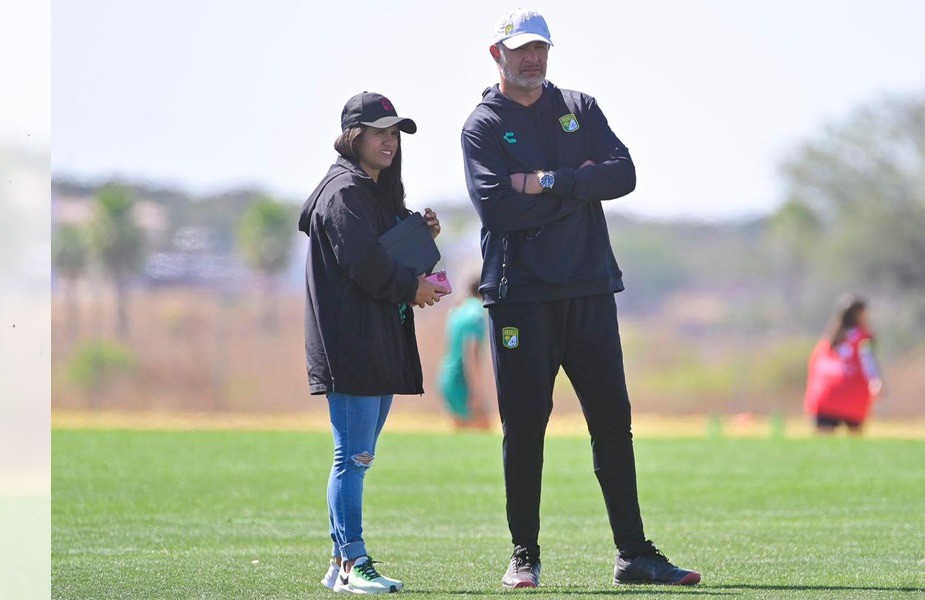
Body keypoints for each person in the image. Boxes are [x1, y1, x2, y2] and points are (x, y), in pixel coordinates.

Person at [460, 8, 700, 589]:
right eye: (520, 49)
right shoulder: (482, 126)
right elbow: (499, 209)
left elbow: (623, 175)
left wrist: (548, 182)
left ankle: (634, 554)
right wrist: (579, 184)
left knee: (613, 424)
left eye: (540, 47)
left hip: (590, 286)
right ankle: (524, 554)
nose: (532, 58)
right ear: (498, 54)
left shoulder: (579, 108)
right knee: (525, 426)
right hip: (520, 297)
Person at [298, 91, 446, 594]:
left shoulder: (371, 192)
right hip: (351, 345)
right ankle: (351, 564)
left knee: (357, 456)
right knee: (353, 457)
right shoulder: (343, 192)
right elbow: (365, 265)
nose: (389, 141)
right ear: (352, 136)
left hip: (374, 340)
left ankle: (340, 561)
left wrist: (417, 236)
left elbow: (385, 254)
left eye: (395, 133)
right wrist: (412, 287)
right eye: (380, 131)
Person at [803, 295, 883, 435]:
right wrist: (876, 382)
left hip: (824, 396)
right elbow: (869, 361)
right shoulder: (862, 338)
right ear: (859, 314)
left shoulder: (828, 339)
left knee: (822, 445)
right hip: (853, 397)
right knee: (855, 447)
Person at [439, 276, 492, 430]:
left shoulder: (458, 311)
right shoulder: (476, 315)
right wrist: (475, 393)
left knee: (460, 435)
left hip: (446, 377)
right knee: (484, 429)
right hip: (461, 380)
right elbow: (470, 355)